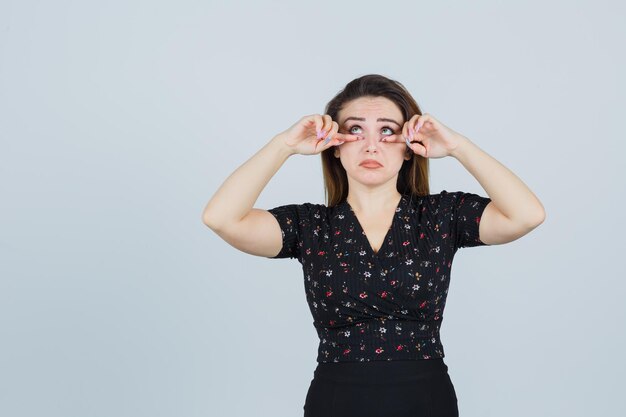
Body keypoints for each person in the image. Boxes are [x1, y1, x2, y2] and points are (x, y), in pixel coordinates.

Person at [202, 74, 545, 417]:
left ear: (410, 146)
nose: (371, 145)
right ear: (334, 145)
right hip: (336, 401)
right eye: (354, 130)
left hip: (425, 401)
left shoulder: (442, 217)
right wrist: (284, 145)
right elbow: (222, 218)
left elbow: (526, 215)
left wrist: (457, 147)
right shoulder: (310, 226)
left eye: (386, 130)